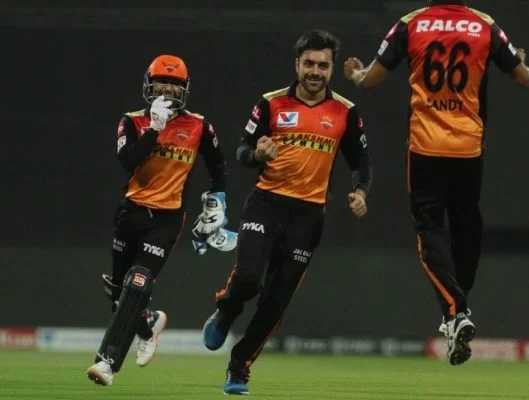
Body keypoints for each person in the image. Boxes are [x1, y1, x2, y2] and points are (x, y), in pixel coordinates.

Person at [344, 0, 529, 366]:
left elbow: (371, 79)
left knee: (429, 229)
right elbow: (524, 79)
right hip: (468, 147)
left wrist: (355, 75)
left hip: (425, 147)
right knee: (467, 227)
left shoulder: (411, 23)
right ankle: (458, 309)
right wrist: (520, 61)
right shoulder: (485, 24)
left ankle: (455, 311)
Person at [201, 29, 373, 395]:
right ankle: (227, 309)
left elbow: (361, 161)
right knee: (249, 279)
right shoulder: (271, 103)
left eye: (323, 65)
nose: (315, 72)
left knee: (275, 302)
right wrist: (257, 155)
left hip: (308, 218)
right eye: (309, 63)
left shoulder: (345, 111)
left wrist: (360, 191)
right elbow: (243, 149)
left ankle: (239, 367)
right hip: (266, 204)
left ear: (331, 68)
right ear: (297, 64)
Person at [86, 54, 232, 386]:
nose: (167, 89)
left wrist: (218, 202)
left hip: (166, 219)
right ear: (148, 86)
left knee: (138, 281)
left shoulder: (199, 126)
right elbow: (127, 161)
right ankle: (148, 323)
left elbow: (219, 168)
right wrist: (154, 129)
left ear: (185, 89)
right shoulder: (131, 122)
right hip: (130, 213)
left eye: (174, 84)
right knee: (120, 295)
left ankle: (106, 363)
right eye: (161, 82)